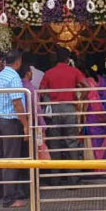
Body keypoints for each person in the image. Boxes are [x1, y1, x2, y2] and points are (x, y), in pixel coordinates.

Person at [40, 47, 89, 183]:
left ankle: (55, 178)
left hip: (54, 110)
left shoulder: (49, 73)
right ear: (68, 59)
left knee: (54, 143)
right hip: (69, 108)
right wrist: (79, 99)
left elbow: (41, 91)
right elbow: (86, 86)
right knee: (71, 142)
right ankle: (73, 178)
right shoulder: (74, 71)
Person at [0, 49, 28, 208]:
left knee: (2, 157)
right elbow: (17, 103)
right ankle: (9, 198)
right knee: (11, 158)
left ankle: (1, 192)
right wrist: (26, 124)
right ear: (18, 62)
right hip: (9, 122)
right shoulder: (13, 77)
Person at [82, 64, 106, 161]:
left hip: (92, 116)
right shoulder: (104, 81)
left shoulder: (87, 82)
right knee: (103, 139)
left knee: (94, 140)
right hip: (105, 115)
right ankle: (104, 165)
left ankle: (96, 165)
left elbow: (83, 97)